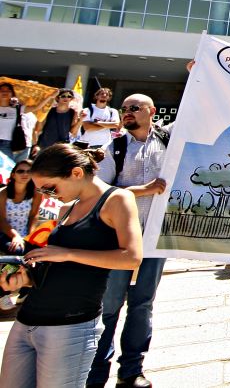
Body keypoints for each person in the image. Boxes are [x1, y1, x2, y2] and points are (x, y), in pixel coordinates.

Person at [0, 144, 142, 388]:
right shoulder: (66, 209)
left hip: (71, 325)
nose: (47, 196)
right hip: (27, 319)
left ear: (76, 173)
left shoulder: (117, 199)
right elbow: (57, 263)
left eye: (50, 188)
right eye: (42, 191)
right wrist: (24, 279)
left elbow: (131, 257)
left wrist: (67, 253)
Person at [87, 94, 172, 388]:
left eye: (133, 108)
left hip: (154, 239)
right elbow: (102, 192)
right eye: (124, 109)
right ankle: (96, 373)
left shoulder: (169, 140)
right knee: (108, 307)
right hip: (119, 241)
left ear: (151, 111)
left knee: (142, 305)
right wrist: (142, 190)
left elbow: (197, 110)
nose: (127, 113)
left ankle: (131, 371)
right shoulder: (116, 148)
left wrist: (199, 73)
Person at [0, 159, 43, 310]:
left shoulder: (36, 193)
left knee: (36, 253)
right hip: (5, 233)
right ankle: (3, 291)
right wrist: (16, 236)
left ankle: (25, 291)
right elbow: (2, 220)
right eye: (20, 171)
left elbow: (34, 216)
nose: (25, 174)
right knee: (16, 252)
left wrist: (30, 237)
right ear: (13, 175)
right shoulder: (4, 193)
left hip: (24, 234)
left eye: (28, 171)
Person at [0, 83, 54, 161]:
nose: (5, 92)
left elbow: (37, 107)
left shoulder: (18, 108)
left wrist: (50, 97)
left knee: (8, 168)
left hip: (9, 144)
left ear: (12, 94)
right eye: (2, 90)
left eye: (8, 90)